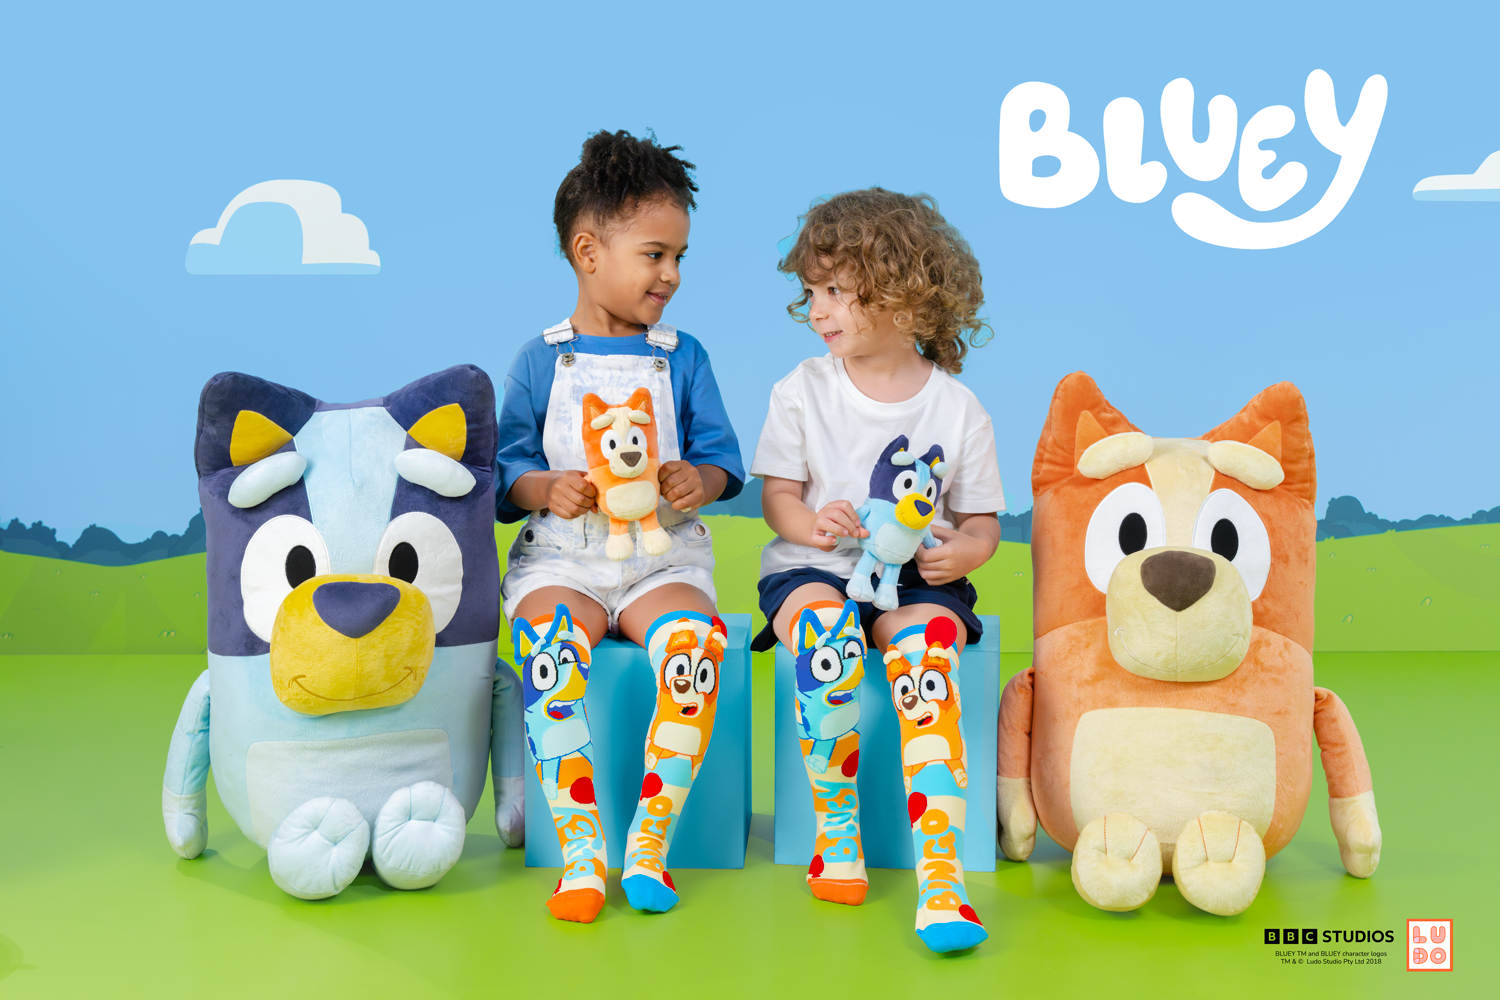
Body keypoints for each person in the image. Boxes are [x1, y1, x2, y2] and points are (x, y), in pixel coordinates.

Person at [496, 129, 744, 920]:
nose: (672, 275)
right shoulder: (541, 361)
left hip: (659, 562)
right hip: (562, 561)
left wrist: (697, 479)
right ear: (588, 251)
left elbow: (722, 459)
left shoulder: (683, 356)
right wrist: (546, 487)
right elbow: (506, 471)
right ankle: (580, 850)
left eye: (679, 257)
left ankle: (649, 842)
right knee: (550, 656)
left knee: (694, 650)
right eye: (655, 255)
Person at [752, 188, 1003, 953]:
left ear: (902, 292)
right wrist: (810, 524)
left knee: (927, 658)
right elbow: (778, 499)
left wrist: (964, 552)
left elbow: (983, 524)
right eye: (811, 293)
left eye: (836, 290)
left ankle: (941, 877)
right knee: (825, 639)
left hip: (916, 580)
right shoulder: (801, 390)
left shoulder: (959, 410)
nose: (818, 311)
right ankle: (837, 836)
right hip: (814, 569)